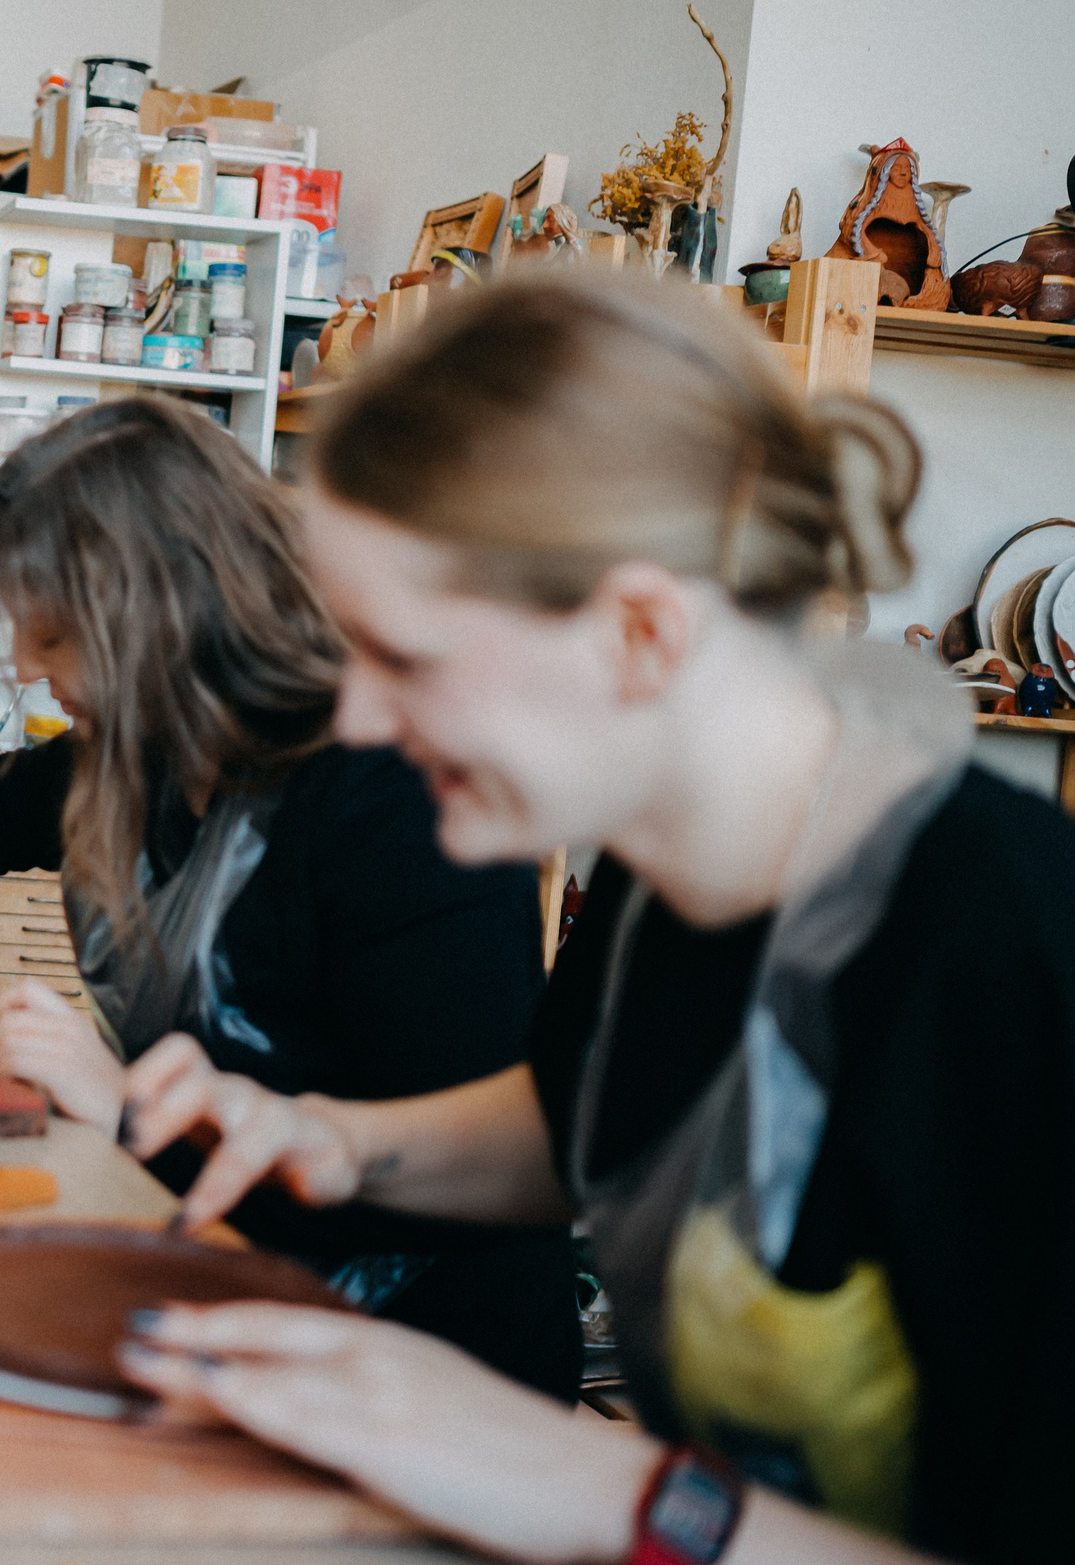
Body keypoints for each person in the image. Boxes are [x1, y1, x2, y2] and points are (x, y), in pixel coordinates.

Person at [113, 272, 1070, 1565]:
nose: (357, 720)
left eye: (407, 659)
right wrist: (330, 1138)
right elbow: (583, 1121)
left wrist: (596, 1481)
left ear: (638, 632)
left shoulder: (1006, 948)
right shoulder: (658, 881)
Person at [0, 396, 578, 1397]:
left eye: (53, 636)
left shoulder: (396, 804)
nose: (25, 665)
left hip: (417, 1367)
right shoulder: (152, 746)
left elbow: (447, 1178)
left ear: (153, 622)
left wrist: (120, 1109)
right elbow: (2, 798)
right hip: (214, 1284)